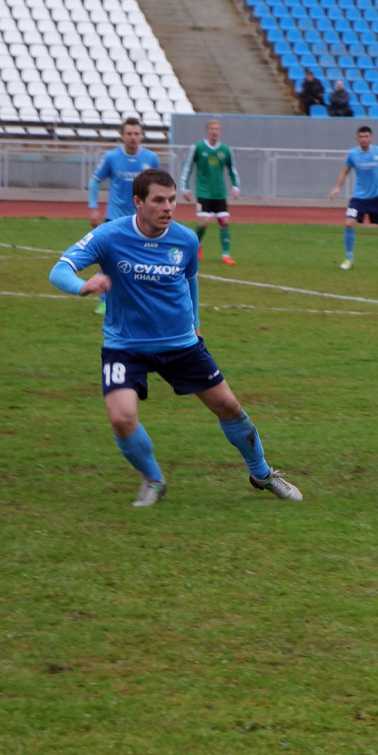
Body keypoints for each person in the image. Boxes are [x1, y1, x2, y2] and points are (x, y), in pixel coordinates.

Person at [46, 169, 302, 507]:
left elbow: (190, 280)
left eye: (172, 199)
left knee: (229, 406)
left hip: (181, 343)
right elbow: (59, 269)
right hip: (126, 346)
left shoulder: (186, 239)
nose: (168, 207)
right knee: (121, 418)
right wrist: (83, 286)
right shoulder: (109, 236)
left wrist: (196, 322)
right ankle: (154, 480)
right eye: (158, 200)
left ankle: (263, 474)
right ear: (138, 202)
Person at [329, 125, 378, 271]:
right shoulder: (352, 154)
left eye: (366, 136)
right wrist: (337, 187)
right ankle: (349, 258)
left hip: (377, 197)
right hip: (358, 199)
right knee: (349, 223)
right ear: (357, 138)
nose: (364, 139)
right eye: (361, 137)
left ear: (371, 138)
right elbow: (344, 171)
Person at [181, 118, 241, 266]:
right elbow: (187, 168)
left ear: (220, 131)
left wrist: (235, 186)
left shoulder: (226, 150)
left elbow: (232, 169)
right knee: (203, 223)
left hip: (219, 192)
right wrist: (185, 187)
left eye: (217, 129)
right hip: (203, 192)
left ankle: (225, 255)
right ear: (207, 131)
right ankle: (197, 247)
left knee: (224, 222)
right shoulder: (198, 147)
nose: (214, 132)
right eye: (212, 129)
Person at [90, 117, 160, 227]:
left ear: (141, 136)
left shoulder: (151, 158)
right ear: (122, 135)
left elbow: (158, 186)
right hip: (114, 217)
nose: (133, 137)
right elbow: (95, 180)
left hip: (142, 217)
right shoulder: (111, 157)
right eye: (129, 134)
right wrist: (93, 207)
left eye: (136, 134)